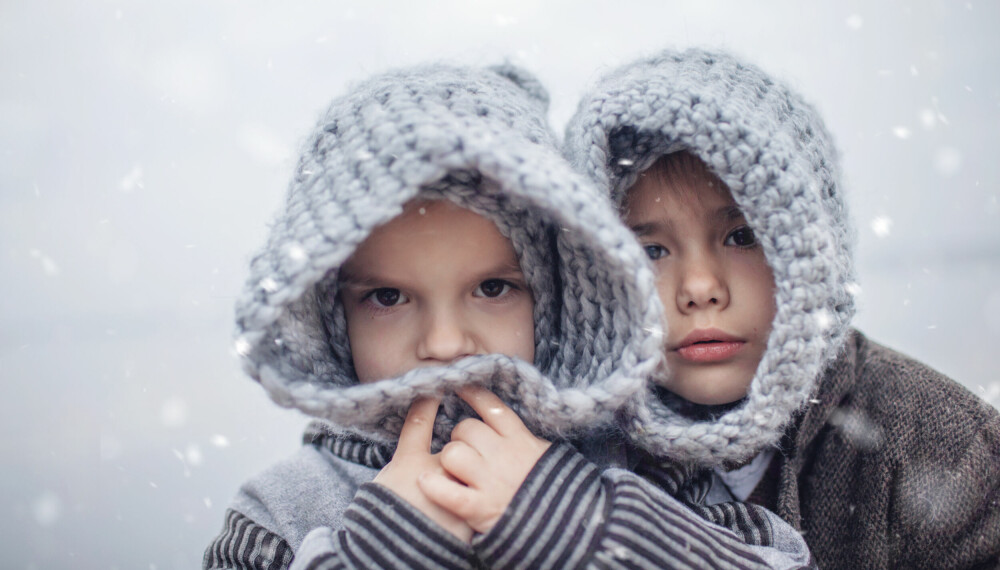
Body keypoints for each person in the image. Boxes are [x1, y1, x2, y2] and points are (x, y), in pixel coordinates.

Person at [204, 62, 815, 569]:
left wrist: (580, 524)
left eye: (493, 288)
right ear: (331, 317)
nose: (446, 345)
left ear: (552, 297)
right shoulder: (283, 515)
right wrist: (381, 556)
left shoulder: (638, 466)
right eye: (388, 298)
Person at [563, 47, 1000, 569]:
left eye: (742, 236)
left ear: (812, 249)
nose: (700, 288)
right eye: (650, 250)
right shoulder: (563, 451)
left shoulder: (941, 445)